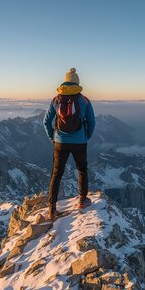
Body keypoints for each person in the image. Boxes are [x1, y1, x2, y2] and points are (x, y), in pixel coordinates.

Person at [43, 68, 96, 221]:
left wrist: (52, 137)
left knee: (57, 173)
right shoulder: (84, 100)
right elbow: (91, 122)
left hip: (60, 142)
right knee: (82, 169)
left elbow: (46, 121)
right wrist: (85, 136)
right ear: (77, 82)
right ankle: (82, 200)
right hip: (80, 141)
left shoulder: (56, 99)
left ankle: (52, 209)